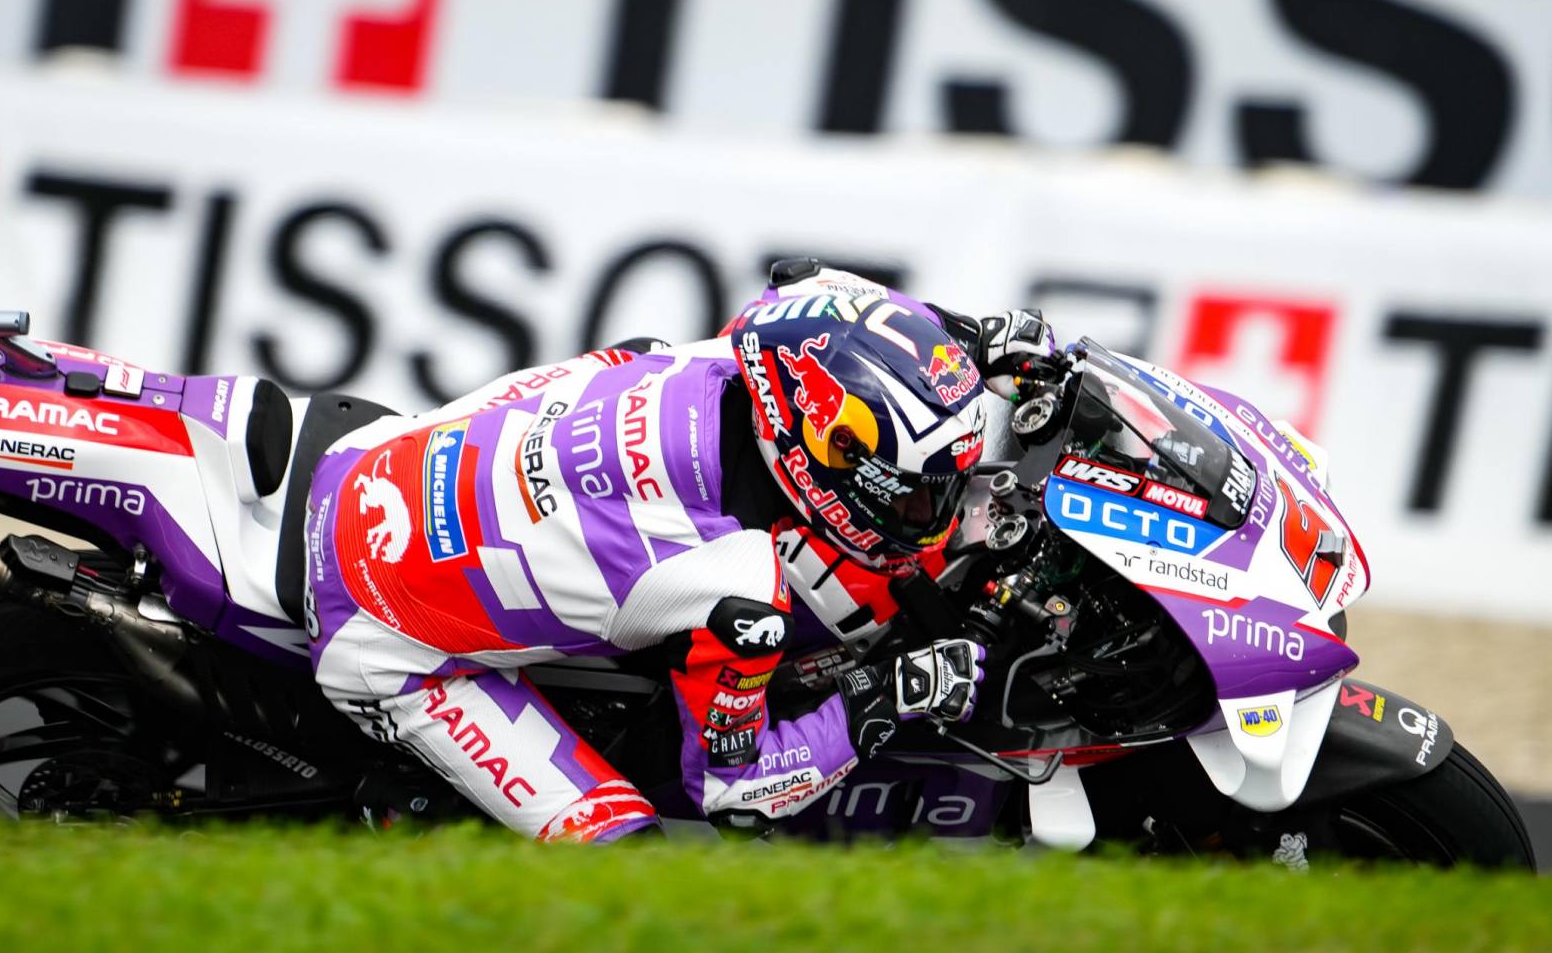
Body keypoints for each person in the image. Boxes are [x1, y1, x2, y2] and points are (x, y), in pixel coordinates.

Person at [302, 259, 1058, 841]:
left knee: (639, 356)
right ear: (824, 457)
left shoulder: (741, 350)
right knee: (636, 860)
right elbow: (735, 793)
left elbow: (838, 305)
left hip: (368, 463)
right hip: (378, 638)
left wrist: (973, 343)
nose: (933, 516)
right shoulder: (741, 586)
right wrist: (889, 696)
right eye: (913, 497)